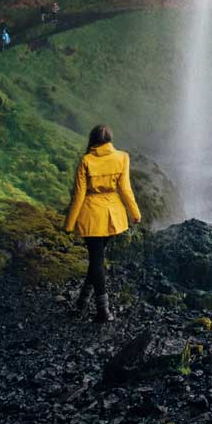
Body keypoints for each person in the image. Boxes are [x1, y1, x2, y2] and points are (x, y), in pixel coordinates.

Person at [63, 124, 142, 323]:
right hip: (113, 216)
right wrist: (135, 213)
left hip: (91, 216)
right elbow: (125, 189)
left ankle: (103, 310)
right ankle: (82, 302)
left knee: (96, 261)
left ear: (93, 140)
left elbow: (79, 195)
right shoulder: (122, 157)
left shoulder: (86, 161)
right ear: (110, 140)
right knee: (97, 261)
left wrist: (70, 223)